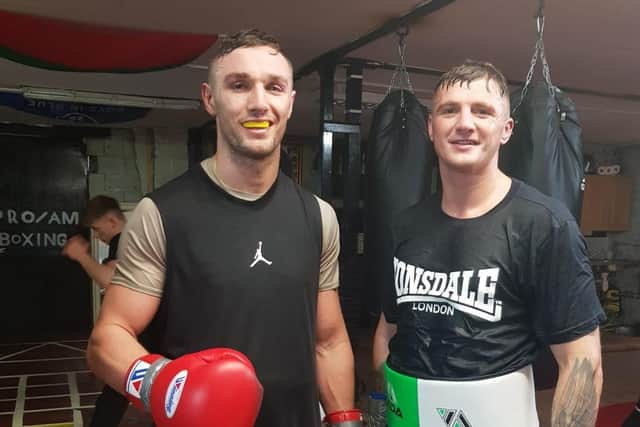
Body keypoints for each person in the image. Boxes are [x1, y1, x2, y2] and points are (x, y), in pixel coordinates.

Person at [86, 29, 363, 427]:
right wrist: (165, 384)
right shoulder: (162, 213)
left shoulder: (318, 216)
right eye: (238, 85)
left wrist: (344, 419)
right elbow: (107, 339)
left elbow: (330, 340)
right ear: (210, 98)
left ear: (289, 102)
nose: (259, 102)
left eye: (274, 87)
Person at [373, 60, 605, 427]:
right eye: (450, 111)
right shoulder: (404, 224)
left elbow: (581, 363)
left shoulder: (544, 225)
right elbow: (390, 326)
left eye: (482, 111)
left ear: (506, 129)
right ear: (431, 128)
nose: (465, 123)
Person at [62, 195, 131, 427]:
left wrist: (82, 256)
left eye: (98, 230)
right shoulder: (132, 238)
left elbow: (109, 279)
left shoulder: (123, 239)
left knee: (120, 384)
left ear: (112, 221)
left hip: (150, 325)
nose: (99, 236)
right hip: (151, 323)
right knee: (120, 386)